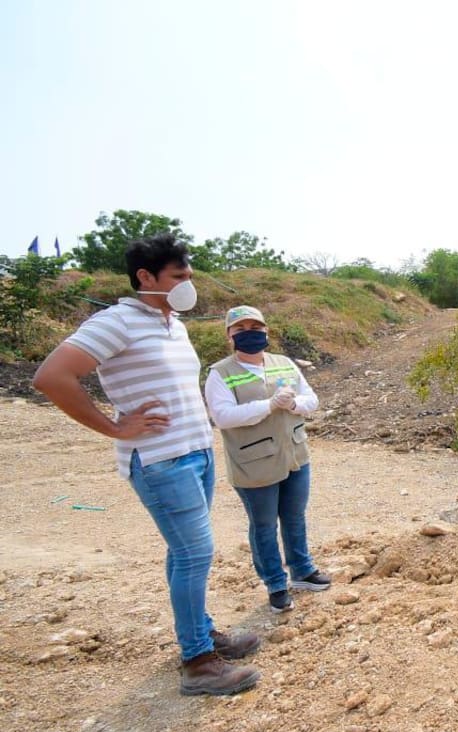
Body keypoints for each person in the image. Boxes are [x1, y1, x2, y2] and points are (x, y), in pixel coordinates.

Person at [32, 233, 261, 696]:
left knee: (185, 555)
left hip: (194, 453)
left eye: (189, 275)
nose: (186, 285)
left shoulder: (172, 323)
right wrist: (115, 428)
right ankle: (198, 662)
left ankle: (201, 634)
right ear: (145, 277)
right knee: (196, 554)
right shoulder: (117, 321)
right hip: (161, 461)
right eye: (178, 277)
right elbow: (51, 376)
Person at [204, 305, 330, 615]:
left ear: (266, 332)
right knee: (263, 525)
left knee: (294, 515)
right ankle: (275, 583)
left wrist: (294, 404)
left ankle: (302, 570)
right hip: (253, 462)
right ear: (230, 336)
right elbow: (222, 416)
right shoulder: (220, 373)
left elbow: (311, 399)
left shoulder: (283, 363)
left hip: (294, 454)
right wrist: (269, 405)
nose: (250, 333)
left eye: (256, 328)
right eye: (241, 329)